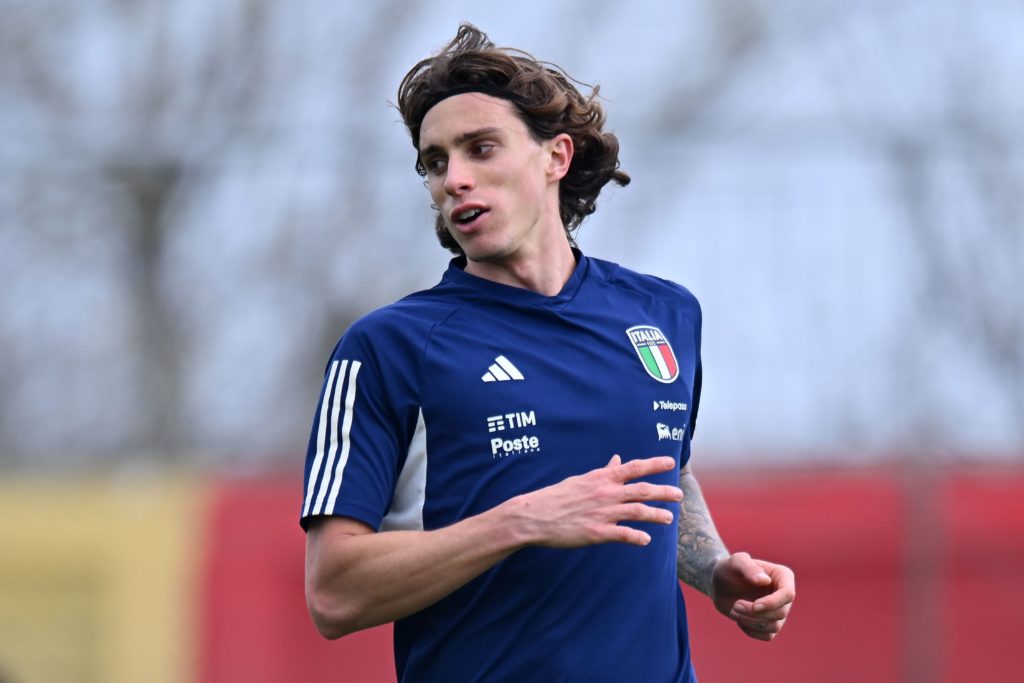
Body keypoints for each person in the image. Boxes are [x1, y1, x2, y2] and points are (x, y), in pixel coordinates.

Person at [301, 23, 795, 682]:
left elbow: (666, 469)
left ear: (555, 157)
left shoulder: (663, 315)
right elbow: (333, 593)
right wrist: (519, 521)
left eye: (481, 148)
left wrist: (714, 568)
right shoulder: (388, 348)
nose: (455, 179)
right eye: (436, 161)